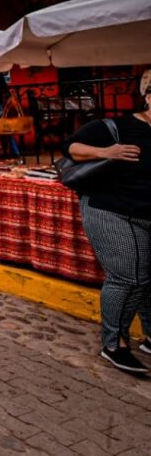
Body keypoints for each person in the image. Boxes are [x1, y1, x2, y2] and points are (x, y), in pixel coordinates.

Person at [64, 69, 151, 374]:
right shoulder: (118, 126)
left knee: (147, 277)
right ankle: (114, 344)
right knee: (129, 277)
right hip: (111, 210)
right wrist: (107, 151)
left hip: (145, 212)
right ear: (149, 98)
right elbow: (71, 147)